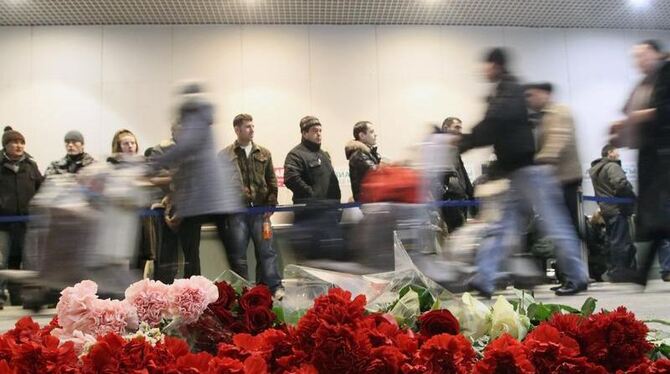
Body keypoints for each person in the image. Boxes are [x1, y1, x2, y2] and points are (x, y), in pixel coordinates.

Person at [457, 48, 588, 296]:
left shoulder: (511, 89)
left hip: (530, 172)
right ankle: (484, 277)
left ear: (495, 65)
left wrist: (466, 141)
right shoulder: (505, 91)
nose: (482, 70)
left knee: (554, 225)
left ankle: (577, 276)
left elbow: (495, 123)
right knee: (504, 227)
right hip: (517, 173)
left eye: (485, 65)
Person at [150, 84, 243, 278]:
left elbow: (186, 147)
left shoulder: (195, 115)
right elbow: (185, 171)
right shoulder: (201, 117)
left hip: (204, 199)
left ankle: (240, 294)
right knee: (230, 254)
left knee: (207, 255)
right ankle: (245, 293)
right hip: (208, 199)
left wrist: (153, 164)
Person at [611, 40, 670, 285]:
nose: (640, 61)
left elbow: (666, 109)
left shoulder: (665, 75)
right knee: (656, 217)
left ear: (656, 53)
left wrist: (636, 117)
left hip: (664, 153)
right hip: (651, 154)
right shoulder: (644, 83)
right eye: (636, 57)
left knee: (659, 215)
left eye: (644, 55)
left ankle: (643, 273)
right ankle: (643, 273)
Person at [221, 114, 282, 293]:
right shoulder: (225, 155)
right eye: (247, 126)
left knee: (267, 252)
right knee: (238, 256)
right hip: (237, 212)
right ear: (237, 129)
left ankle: (272, 288)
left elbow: (271, 180)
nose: (252, 129)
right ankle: (242, 291)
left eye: (252, 126)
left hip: (261, 211)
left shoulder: (264, 153)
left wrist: (271, 204)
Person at [524, 83, 583, 235]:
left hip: (565, 179)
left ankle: (575, 257)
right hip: (552, 180)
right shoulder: (539, 117)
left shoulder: (559, 112)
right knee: (557, 228)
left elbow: (558, 140)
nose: (529, 100)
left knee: (568, 227)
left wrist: (537, 161)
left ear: (545, 94)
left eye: (532, 95)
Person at [284, 116, 343, 261]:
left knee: (331, 257)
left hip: (329, 214)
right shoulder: (295, 155)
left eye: (320, 130)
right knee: (312, 258)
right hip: (309, 217)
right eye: (314, 130)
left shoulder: (323, 155)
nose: (319, 134)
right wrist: (312, 195)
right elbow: (291, 179)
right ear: (304, 133)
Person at [0, 127, 42, 306]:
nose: (18, 146)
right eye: (14, 142)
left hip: (28, 224)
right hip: (3, 225)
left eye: (21, 142)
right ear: (5, 146)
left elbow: (41, 189)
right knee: (2, 261)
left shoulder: (31, 165)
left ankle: (29, 299)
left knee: (31, 262)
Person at [588, 145, 637, 281]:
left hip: (606, 209)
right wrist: (631, 197)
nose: (618, 154)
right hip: (617, 208)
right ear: (610, 153)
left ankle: (614, 270)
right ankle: (620, 272)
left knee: (612, 241)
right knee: (621, 241)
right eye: (617, 151)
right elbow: (621, 184)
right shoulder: (612, 167)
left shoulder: (596, 170)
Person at [440, 117, 474, 232]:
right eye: (456, 127)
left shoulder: (454, 149)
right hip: (450, 199)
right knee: (455, 232)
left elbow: (462, 173)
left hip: (461, 198)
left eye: (460, 128)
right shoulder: (439, 149)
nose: (460, 131)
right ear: (445, 128)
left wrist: (471, 194)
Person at [345, 121, 382, 202]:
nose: (375, 134)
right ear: (362, 135)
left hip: (371, 201)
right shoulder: (359, 155)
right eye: (371, 132)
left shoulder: (368, 153)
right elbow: (377, 174)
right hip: (368, 203)